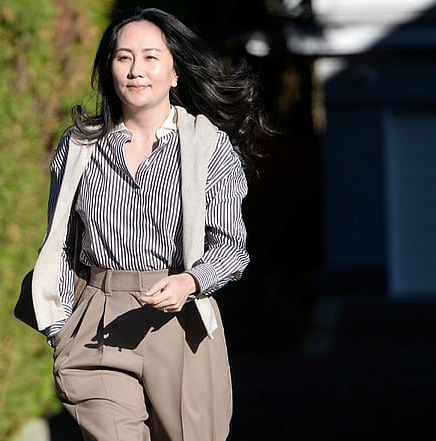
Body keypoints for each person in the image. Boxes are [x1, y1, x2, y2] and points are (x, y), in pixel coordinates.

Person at [26, 6, 273, 441]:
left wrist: (190, 282)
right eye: (123, 57)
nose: (136, 69)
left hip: (181, 323)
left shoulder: (207, 148)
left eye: (150, 57)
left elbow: (231, 247)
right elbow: (61, 244)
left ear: (175, 73)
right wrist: (60, 325)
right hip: (97, 323)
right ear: (110, 69)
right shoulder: (80, 146)